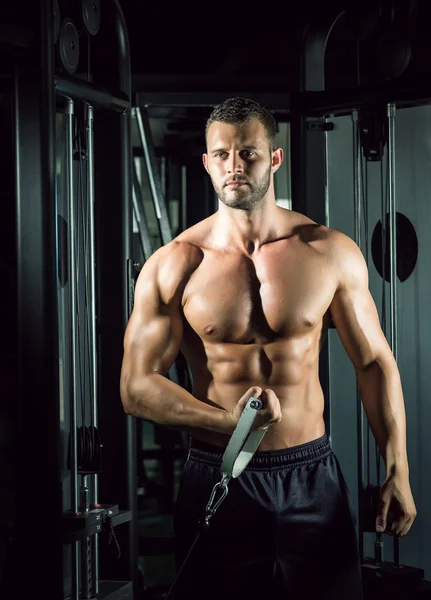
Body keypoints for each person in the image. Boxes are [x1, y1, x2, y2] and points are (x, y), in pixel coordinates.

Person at [120, 97, 417, 599]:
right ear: (207, 163)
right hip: (219, 473)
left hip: (311, 476)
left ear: (274, 159)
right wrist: (230, 426)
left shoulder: (327, 251)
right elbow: (136, 388)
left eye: (248, 153)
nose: (234, 166)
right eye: (222, 155)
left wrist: (397, 468)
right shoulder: (176, 264)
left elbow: (373, 363)